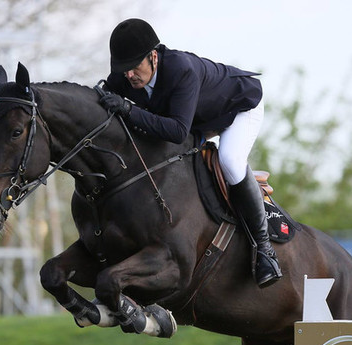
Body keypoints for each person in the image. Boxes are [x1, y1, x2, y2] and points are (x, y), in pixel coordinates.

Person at [99, 18, 282, 288]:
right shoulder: (126, 76)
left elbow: (176, 131)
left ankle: (265, 250)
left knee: (230, 161)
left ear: (153, 56)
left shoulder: (180, 70)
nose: (129, 76)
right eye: (124, 70)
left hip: (237, 108)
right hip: (196, 119)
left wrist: (127, 110)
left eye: (134, 68)